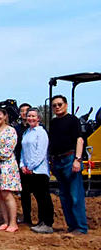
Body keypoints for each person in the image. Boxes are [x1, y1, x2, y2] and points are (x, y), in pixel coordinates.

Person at [48, 95, 88, 234]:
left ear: (65, 105)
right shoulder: (53, 123)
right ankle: (71, 226)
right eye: (54, 105)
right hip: (57, 161)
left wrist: (77, 159)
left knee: (75, 195)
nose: (57, 107)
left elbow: (79, 140)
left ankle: (81, 227)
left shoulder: (73, 120)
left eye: (59, 104)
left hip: (70, 159)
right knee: (64, 196)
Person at [20, 108, 54, 234]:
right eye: (29, 116)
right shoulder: (26, 133)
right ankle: (40, 222)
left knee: (44, 197)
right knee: (37, 197)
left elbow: (41, 153)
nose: (31, 118)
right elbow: (23, 152)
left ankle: (47, 223)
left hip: (39, 171)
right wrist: (23, 165)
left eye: (34, 116)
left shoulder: (41, 133)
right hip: (28, 170)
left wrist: (31, 166)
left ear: (38, 118)